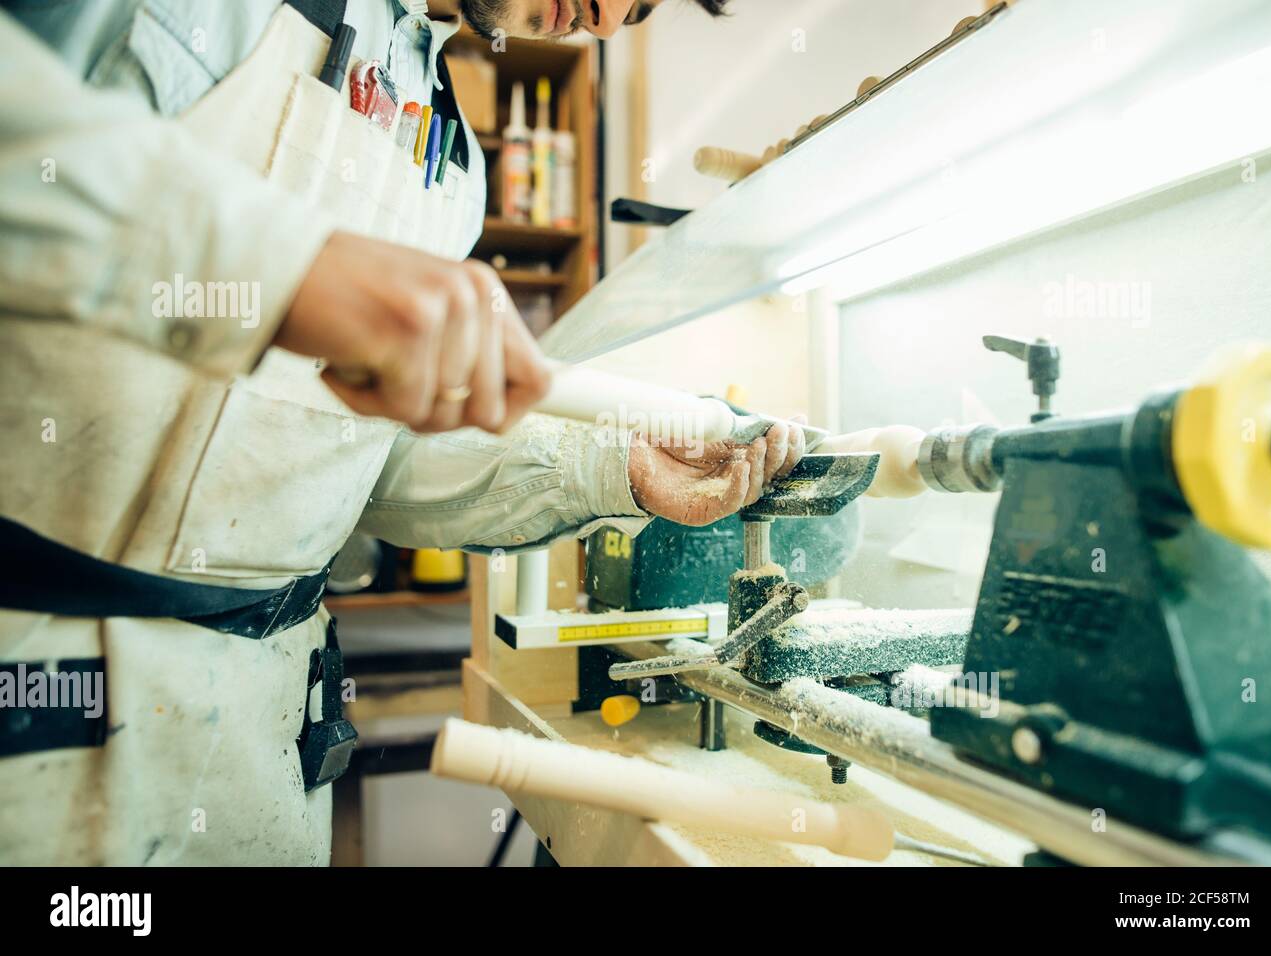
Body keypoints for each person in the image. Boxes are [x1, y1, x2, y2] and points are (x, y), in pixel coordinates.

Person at [0, 0, 804, 865]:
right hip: (41, 684)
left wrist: (614, 468)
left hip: (257, 743)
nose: (608, 21)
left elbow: (372, 464)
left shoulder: (449, 169)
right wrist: (283, 268)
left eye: (639, 12)